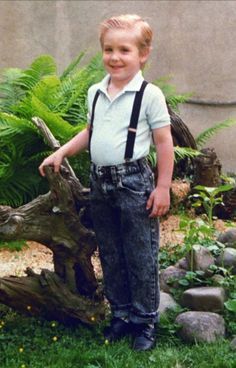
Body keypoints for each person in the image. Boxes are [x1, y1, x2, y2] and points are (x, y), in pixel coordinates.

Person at [39, 14, 174, 351]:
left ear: (142, 54)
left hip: (134, 183)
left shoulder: (149, 95)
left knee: (140, 254)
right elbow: (91, 132)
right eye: (108, 49)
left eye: (124, 50)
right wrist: (62, 153)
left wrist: (162, 187)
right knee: (111, 252)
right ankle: (122, 314)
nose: (115, 57)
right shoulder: (96, 93)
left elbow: (163, 143)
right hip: (100, 183)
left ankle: (144, 321)